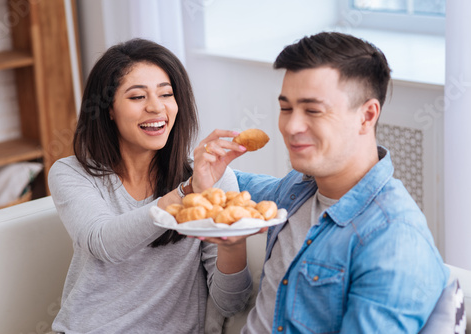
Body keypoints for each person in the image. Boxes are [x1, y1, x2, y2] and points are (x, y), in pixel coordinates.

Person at [218, 32, 448, 333]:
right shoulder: (298, 190)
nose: (291, 126)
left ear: (367, 115)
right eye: (286, 108)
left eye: (313, 110)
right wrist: (206, 171)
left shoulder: (393, 241)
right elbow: (239, 187)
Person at [47, 38, 253, 333]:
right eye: (137, 97)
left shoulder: (214, 179)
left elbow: (230, 304)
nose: (156, 108)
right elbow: (104, 243)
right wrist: (187, 193)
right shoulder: (72, 173)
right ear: (109, 109)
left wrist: (234, 243)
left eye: (166, 94)